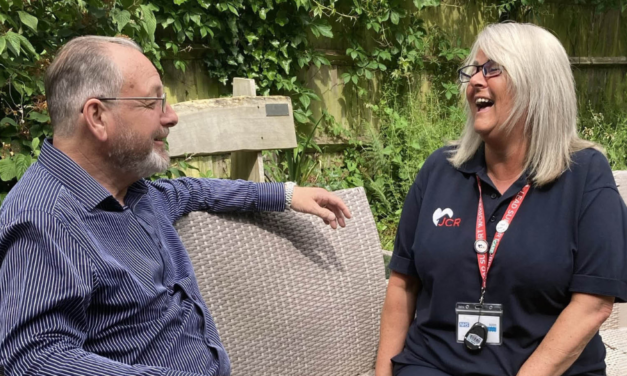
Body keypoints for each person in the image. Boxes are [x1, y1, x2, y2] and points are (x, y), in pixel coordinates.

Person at [0, 36, 351, 376]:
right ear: (97, 116)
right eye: (153, 103)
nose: (171, 117)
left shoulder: (136, 194)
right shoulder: (44, 221)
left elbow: (193, 190)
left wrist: (286, 195)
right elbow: (34, 358)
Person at [375, 22, 627, 376]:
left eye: (492, 68)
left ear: (536, 84)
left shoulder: (585, 175)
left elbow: (593, 305)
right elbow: (402, 284)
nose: (475, 81)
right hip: (434, 365)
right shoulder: (440, 169)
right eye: (473, 70)